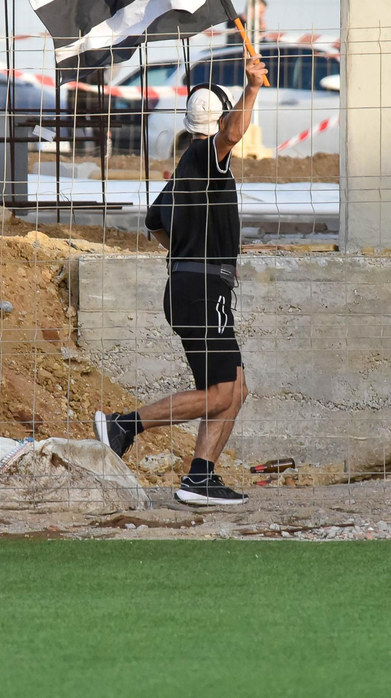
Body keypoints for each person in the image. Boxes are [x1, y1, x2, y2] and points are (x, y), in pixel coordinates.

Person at [95, 55, 268, 506]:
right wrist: (253, 89)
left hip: (192, 288)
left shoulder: (184, 172)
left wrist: (184, 247)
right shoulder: (207, 157)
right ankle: (124, 425)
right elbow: (231, 133)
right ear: (219, 120)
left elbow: (154, 224)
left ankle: (200, 477)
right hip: (204, 291)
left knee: (235, 388)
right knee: (221, 392)